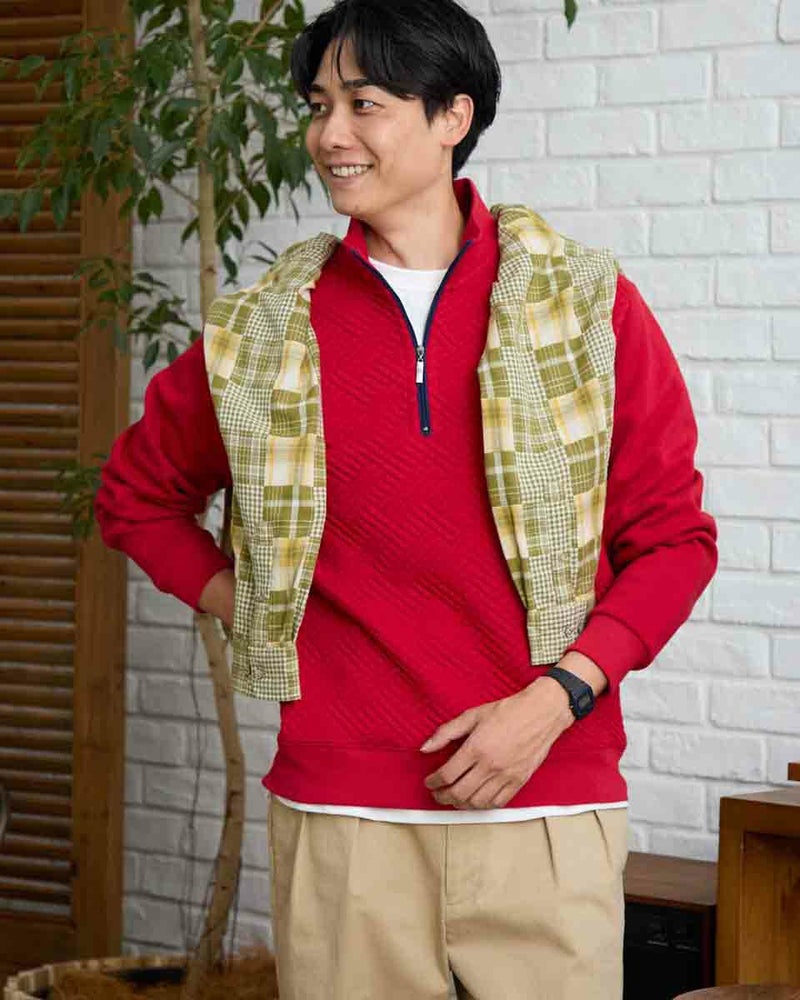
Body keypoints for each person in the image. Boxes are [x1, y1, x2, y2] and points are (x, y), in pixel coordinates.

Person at [95, 0, 719, 997]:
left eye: (365, 104)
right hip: (345, 827)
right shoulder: (261, 332)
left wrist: (556, 699)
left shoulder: (588, 305)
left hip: (547, 812)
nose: (329, 134)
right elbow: (136, 497)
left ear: (451, 117)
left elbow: (674, 542)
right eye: (318, 105)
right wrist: (254, 606)